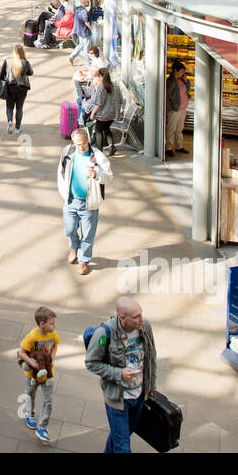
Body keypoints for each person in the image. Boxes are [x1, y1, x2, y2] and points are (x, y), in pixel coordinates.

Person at [86, 295, 158, 453]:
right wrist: (119, 373)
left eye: (141, 314)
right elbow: (91, 363)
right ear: (122, 318)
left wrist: (151, 385)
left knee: (121, 436)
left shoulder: (145, 327)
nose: (141, 319)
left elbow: (151, 357)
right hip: (117, 399)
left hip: (138, 396)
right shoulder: (104, 334)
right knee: (123, 447)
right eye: (136, 316)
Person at [58, 126, 113, 275]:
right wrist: (63, 191)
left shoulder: (97, 156)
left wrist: (96, 174)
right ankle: (75, 248)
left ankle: (84, 260)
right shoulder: (68, 152)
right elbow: (61, 171)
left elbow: (109, 175)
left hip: (89, 203)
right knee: (69, 229)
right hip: (71, 200)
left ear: (87, 141)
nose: (81, 147)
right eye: (77, 144)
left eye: (83, 144)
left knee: (88, 234)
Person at [17, 306, 59, 444]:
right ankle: (29, 413)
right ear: (42, 324)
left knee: (48, 401)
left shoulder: (53, 334)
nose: (54, 326)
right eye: (51, 323)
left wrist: (52, 358)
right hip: (32, 375)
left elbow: (55, 345)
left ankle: (42, 428)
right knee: (30, 393)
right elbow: (21, 352)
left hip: (47, 374)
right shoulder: (32, 336)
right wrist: (33, 364)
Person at [0, 43, 34, 135]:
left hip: (10, 87)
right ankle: (17, 127)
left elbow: (2, 75)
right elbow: (31, 73)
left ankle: (10, 121)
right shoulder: (25, 62)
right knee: (19, 108)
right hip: (22, 88)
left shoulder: (7, 61)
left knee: (9, 106)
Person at [165, 60, 189, 158]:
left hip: (182, 108)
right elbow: (167, 96)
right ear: (175, 70)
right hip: (175, 109)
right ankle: (168, 148)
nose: (183, 73)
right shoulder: (171, 81)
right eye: (181, 71)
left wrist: (186, 81)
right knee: (171, 128)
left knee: (179, 128)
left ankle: (179, 146)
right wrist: (170, 108)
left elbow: (187, 88)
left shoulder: (181, 80)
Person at [68, 0, 95, 64]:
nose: (89, 3)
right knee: (86, 48)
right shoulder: (84, 11)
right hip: (85, 32)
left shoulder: (77, 9)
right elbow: (86, 22)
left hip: (79, 30)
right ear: (85, 3)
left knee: (80, 45)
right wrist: (92, 29)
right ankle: (88, 62)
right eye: (88, 2)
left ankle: (71, 57)